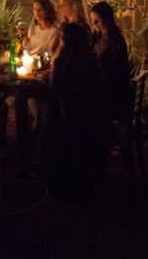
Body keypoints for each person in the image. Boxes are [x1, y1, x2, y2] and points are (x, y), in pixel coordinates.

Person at [46, 22, 110, 192]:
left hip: (70, 119)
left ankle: (58, 175)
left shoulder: (62, 63)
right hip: (93, 118)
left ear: (66, 41)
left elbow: (55, 94)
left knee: (47, 118)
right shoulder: (93, 62)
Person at [90, 1, 132, 122]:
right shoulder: (97, 36)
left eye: (97, 20)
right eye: (92, 20)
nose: (94, 23)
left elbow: (111, 69)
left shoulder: (115, 40)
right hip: (103, 84)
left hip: (113, 92)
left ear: (107, 19)